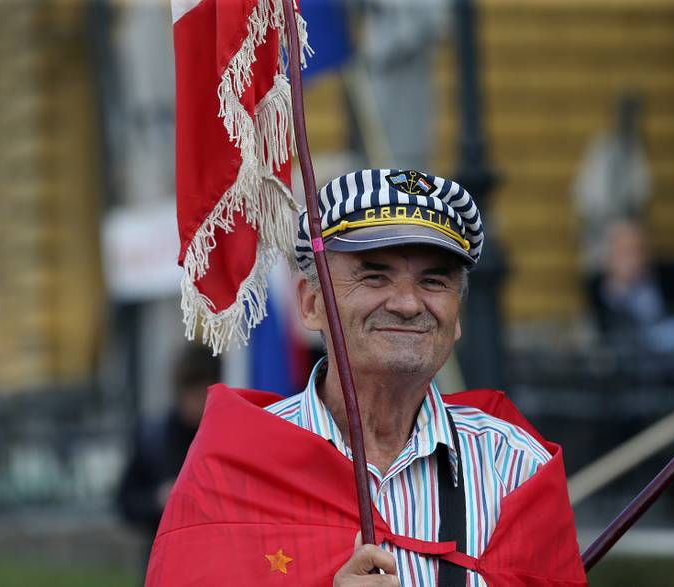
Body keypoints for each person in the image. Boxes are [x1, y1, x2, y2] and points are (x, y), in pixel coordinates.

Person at [146, 169, 586, 587]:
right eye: (375, 275)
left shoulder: (515, 470)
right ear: (311, 304)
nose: (408, 303)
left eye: (434, 281)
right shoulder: (231, 467)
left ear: (457, 318)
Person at [116, 344, 220, 562]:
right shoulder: (154, 437)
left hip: (217, 556)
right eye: (190, 395)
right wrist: (159, 499)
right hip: (167, 558)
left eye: (202, 395)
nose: (196, 405)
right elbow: (126, 502)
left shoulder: (227, 435)